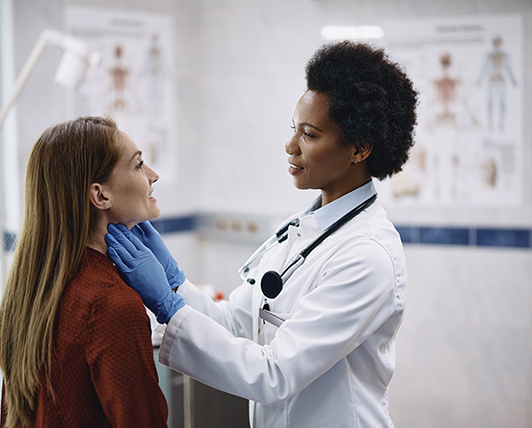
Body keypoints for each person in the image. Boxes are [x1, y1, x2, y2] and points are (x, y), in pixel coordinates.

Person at [107, 40, 418, 427]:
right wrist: (174, 283)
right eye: (294, 129)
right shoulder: (300, 231)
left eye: (309, 135)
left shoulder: (368, 255)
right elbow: (235, 325)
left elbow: (274, 374)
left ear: (359, 148)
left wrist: (170, 309)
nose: (290, 146)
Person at [0, 116, 169, 428]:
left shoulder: (30, 292)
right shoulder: (112, 305)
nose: (153, 176)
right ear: (100, 195)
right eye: (139, 164)